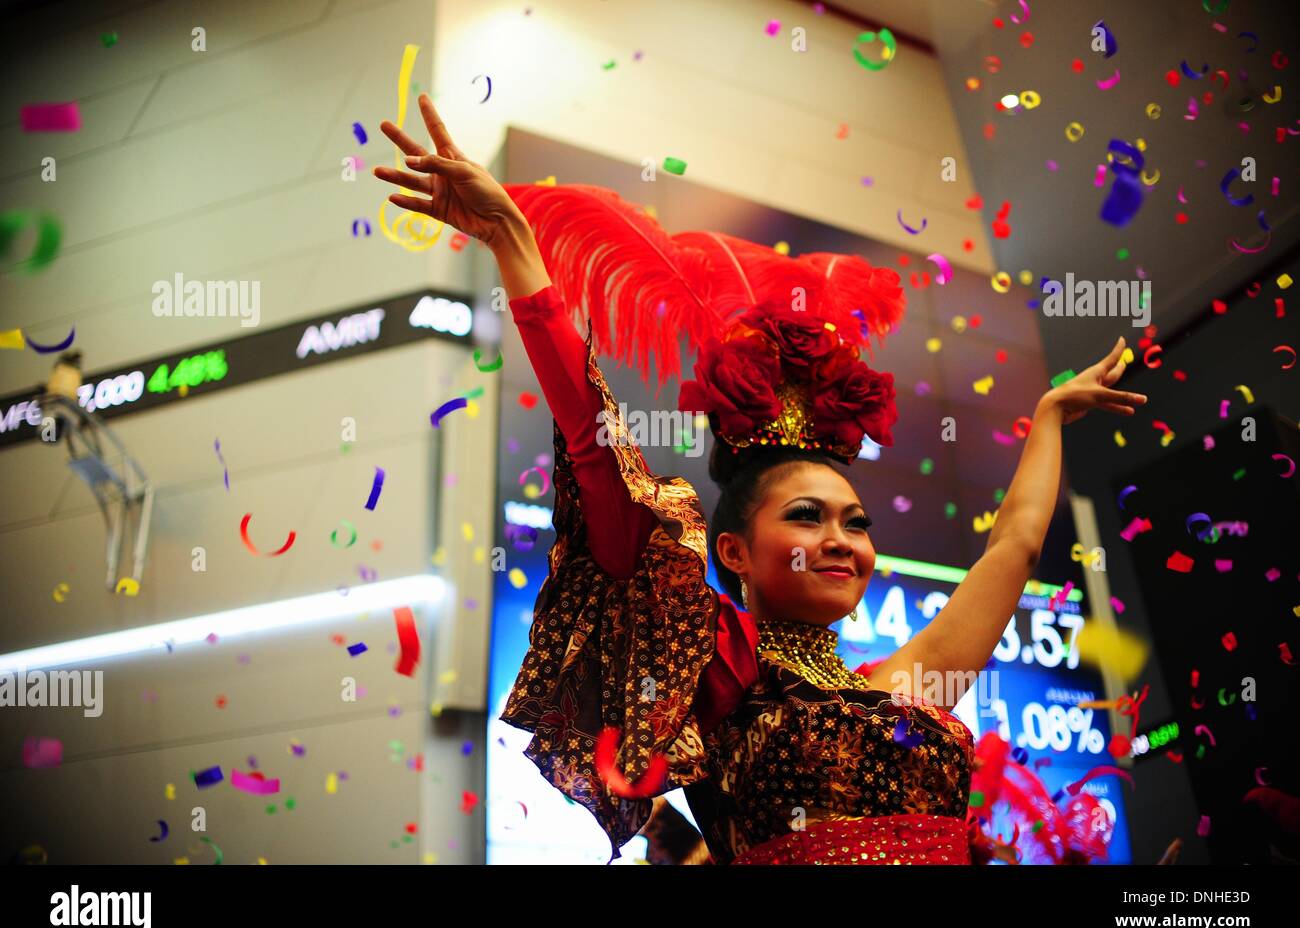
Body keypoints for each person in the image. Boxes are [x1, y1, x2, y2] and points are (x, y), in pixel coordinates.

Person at [375, 95, 1149, 865]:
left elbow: (1012, 547)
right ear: (735, 551)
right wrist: (514, 240)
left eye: (856, 521)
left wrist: (1046, 417)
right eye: (809, 517)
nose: (842, 541)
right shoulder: (719, 672)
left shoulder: (908, 683)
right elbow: (597, 454)